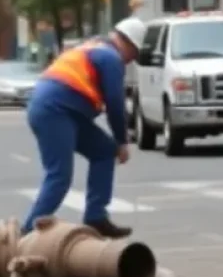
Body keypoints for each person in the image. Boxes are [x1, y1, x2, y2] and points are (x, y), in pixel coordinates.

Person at [21, 17, 147, 240]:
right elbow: (115, 105)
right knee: (59, 175)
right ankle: (28, 232)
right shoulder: (111, 58)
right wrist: (122, 141)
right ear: (127, 44)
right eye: (134, 55)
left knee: (103, 151)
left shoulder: (94, 47)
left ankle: (95, 216)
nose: (131, 62)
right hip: (55, 111)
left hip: (63, 110)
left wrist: (115, 145)